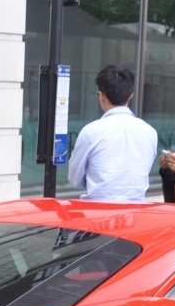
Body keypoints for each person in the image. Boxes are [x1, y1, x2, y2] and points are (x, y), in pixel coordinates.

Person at [66, 64, 158, 202]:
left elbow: (75, 180)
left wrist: (96, 180)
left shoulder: (91, 132)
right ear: (131, 95)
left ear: (101, 95)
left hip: (97, 214)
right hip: (136, 214)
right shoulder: (149, 132)